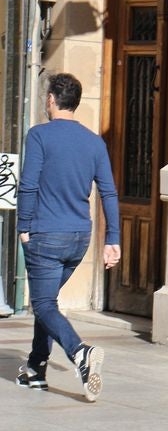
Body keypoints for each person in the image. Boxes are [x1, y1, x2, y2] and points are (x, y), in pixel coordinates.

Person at [15, 73, 121, 401]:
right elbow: (109, 192)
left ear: (51, 99)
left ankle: (80, 353)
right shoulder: (94, 142)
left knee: (43, 304)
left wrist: (23, 226)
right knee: (48, 303)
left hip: (46, 234)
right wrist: (112, 239)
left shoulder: (39, 136)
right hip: (79, 238)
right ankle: (35, 369)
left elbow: (29, 184)